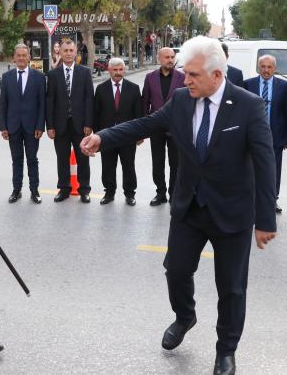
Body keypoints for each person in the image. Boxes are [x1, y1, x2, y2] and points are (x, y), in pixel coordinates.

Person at [81, 36, 276, 375]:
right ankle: (185, 316)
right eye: (185, 74)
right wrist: (103, 137)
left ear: (217, 75)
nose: (186, 81)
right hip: (189, 208)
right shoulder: (182, 100)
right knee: (176, 270)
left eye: (194, 75)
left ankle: (225, 351)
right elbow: (145, 124)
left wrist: (265, 219)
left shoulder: (248, 106)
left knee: (231, 287)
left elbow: (265, 162)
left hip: (232, 212)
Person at [46, 38, 94, 203]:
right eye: (65, 51)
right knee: (62, 159)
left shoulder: (85, 72)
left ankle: (84, 190)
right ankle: (64, 189)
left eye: (71, 51)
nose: (68, 53)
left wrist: (89, 123)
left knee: (83, 159)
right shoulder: (52, 75)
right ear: (60, 52)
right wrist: (50, 126)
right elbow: (49, 101)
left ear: (75, 53)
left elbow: (89, 99)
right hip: (60, 126)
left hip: (80, 126)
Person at [243, 55, 287, 213]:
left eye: (269, 67)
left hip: (275, 135)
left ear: (274, 69)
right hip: (252, 136)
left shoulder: (283, 86)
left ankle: (272, 200)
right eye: (263, 66)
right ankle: (252, 200)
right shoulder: (248, 84)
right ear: (258, 67)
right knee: (252, 169)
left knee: (274, 170)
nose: (266, 70)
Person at [0, 43, 46, 204]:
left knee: (32, 159)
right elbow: (3, 104)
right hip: (13, 126)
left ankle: (35, 191)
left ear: (29, 57)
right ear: (14, 58)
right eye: (18, 55)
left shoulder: (39, 77)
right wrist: (3, 127)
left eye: (24, 55)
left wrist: (41, 126)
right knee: (16, 159)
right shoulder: (7, 78)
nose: (21, 58)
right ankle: (16, 190)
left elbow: (42, 104)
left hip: (33, 127)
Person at [93, 58, 143, 205]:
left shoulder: (133, 88)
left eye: (121, 69)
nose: (118, 73)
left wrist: (140, 135)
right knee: (108, 165)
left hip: (128, 135)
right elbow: (96, 113)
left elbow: (138, 114)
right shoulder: (101, 89)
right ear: (109, 70)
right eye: (115, 70)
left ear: (124, 70)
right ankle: (109, 193)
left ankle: (130, 194)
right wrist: (97, 134)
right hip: (106, 136)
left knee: (128, 165)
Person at [142, 47, 185, 206]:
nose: (170, 60)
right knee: (157, 162)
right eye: (167, 57)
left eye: (172, 57)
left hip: (177, 128)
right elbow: (145, 102)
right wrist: (145, 125)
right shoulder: (150, 77)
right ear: (159, 59)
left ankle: (173, 193)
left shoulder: (182, 77)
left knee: (176, 163)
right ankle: (160, 193)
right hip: (156, 127)